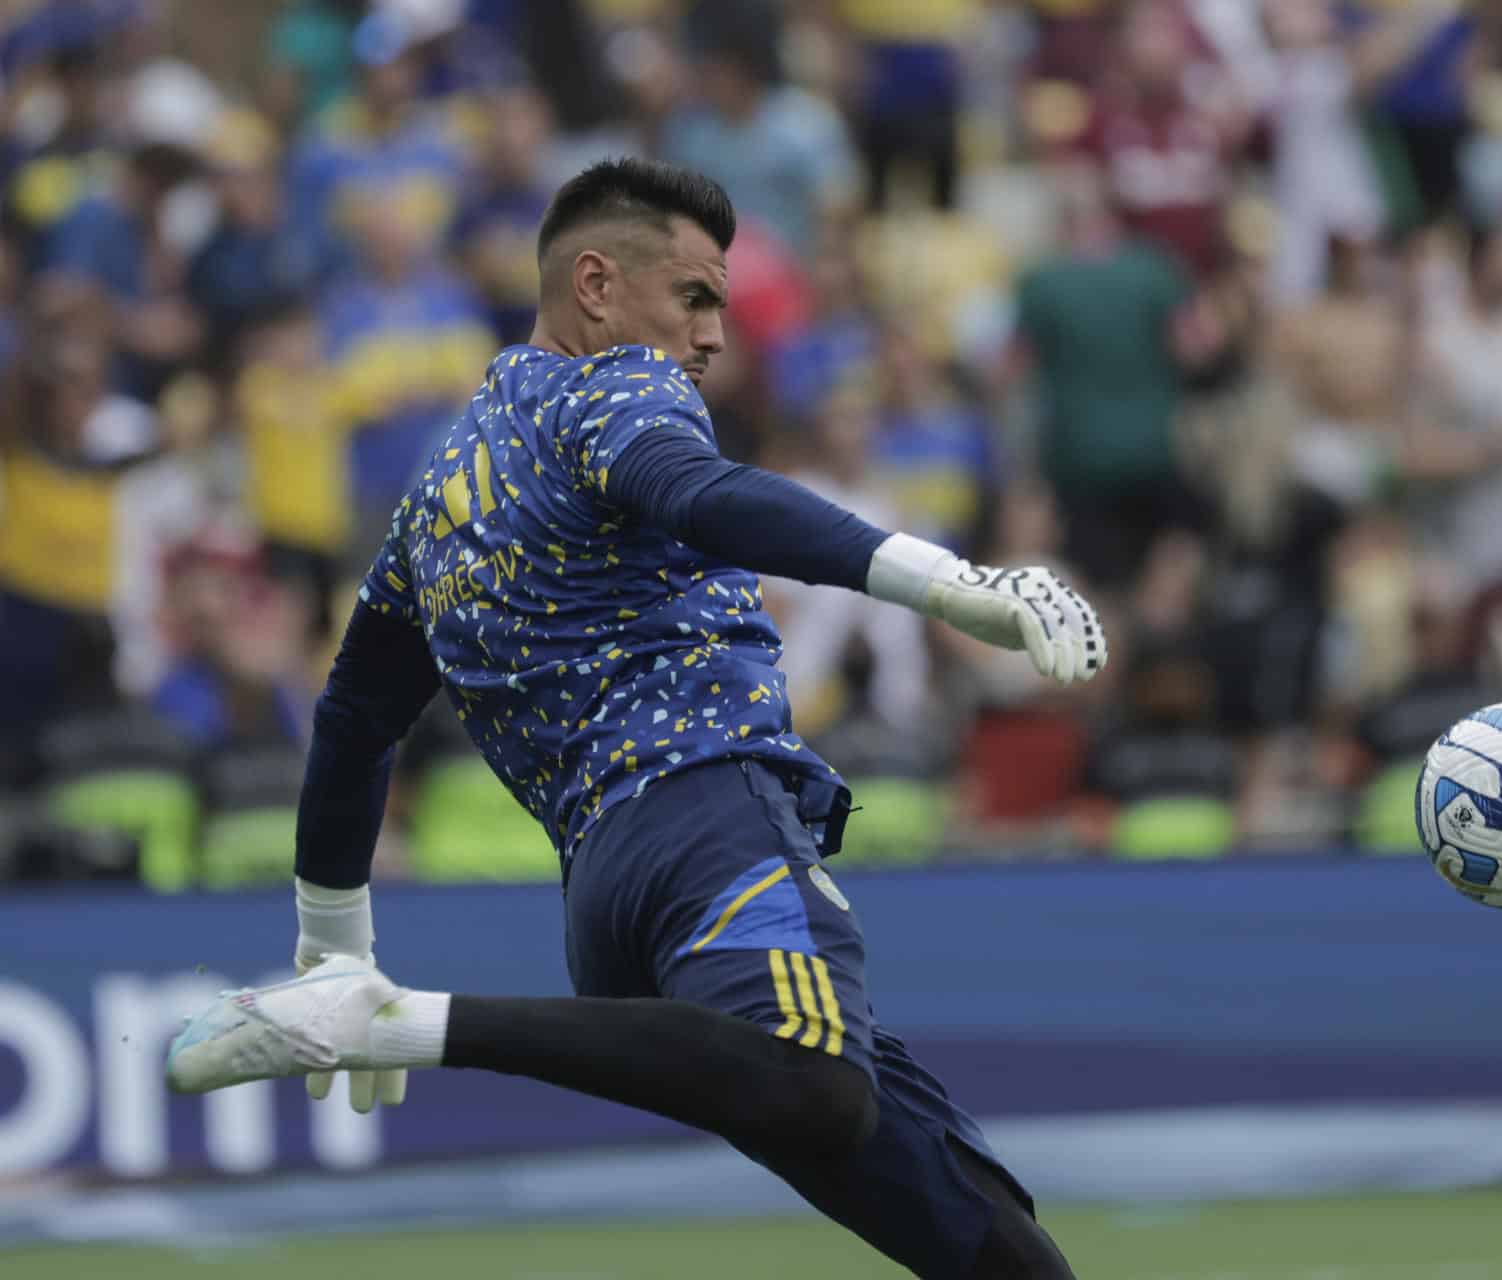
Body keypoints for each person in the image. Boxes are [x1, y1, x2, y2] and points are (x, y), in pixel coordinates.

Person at [165, 160, 1104, 1280]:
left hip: (609, 901)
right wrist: (951, 580)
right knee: (812, 1080)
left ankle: (365, 1004)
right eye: (696, 296)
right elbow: (700, 493)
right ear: (598, 286)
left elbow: (356, 714)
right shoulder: (615, 386)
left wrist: (332, 937)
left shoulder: (442, 485)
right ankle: (400, 1019)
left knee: (998, 1252)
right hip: (708, 812)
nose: (714, 334)